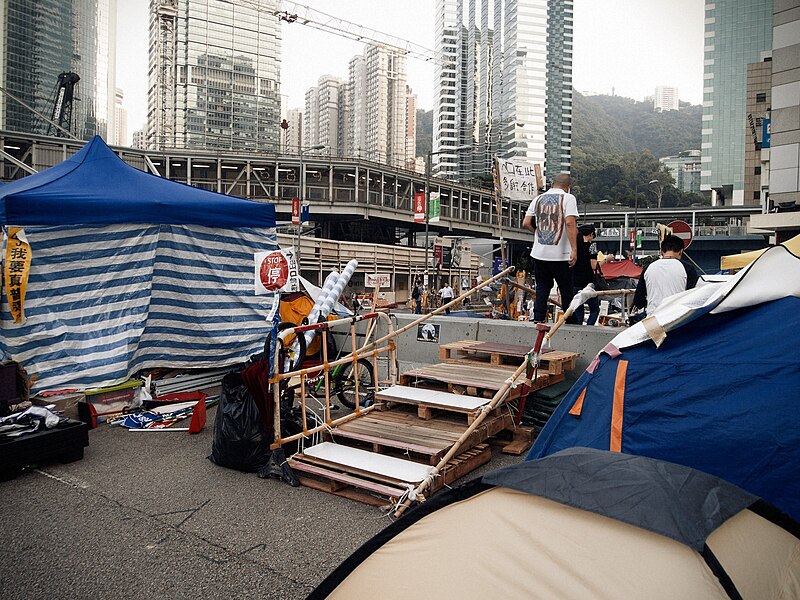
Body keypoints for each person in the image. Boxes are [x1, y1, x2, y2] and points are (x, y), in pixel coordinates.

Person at [522, 173, 579, 323]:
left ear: (552, 184)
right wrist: (574, 249)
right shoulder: (568, 198)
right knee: (566, 289)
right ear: (568, 187)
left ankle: (539, 319)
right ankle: (570, 321)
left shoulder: (537, 199)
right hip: (561, 254)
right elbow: (570, 223)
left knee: (542, 287)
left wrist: (538, 235)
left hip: (539, 253)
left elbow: (526, 222)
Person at [632, 234, 691, 316]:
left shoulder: (648, 268)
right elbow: (693, 299)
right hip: (677, 317)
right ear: (681, 251)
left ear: (661, 251)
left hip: (653, 318)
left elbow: (638, 302)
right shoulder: (688, 269)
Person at [571, 224, 601, 325]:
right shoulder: (592, 246)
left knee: (578, 311)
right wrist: (606, 260)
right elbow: (593, 266)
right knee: (594, 310)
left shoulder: (574, 247)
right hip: (588, 283)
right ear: (591, 234)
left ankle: (579, 331)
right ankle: (589, 328)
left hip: (575, 282)